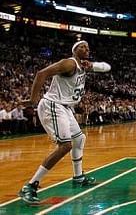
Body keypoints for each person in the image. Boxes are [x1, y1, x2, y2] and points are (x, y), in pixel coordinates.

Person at [18, 41, 111, 205]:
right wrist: (32, 99)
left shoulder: (84, 66)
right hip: (52, 105)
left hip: (65, 108)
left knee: (79, 139)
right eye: (82, 46)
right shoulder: (69, 63)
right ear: (74, 50)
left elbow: (107, 67)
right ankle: (30, 186)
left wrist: (92, 65)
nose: (86, 49)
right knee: (66, 145)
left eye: (88, 47)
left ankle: (78, 177)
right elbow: (41, 73)